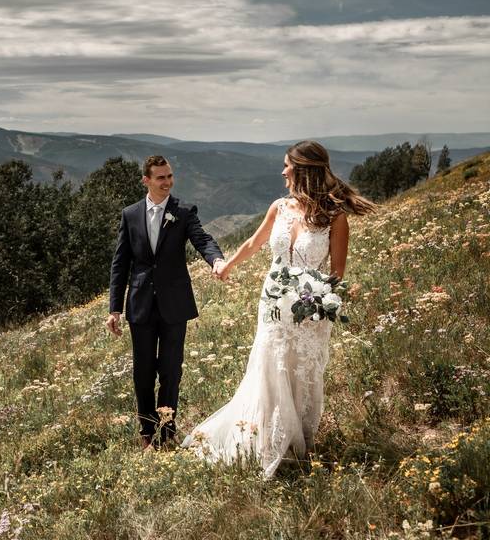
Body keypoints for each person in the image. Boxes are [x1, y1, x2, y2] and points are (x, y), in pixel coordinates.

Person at [181, 140, 377, 476]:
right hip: (272, 302)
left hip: (308, 309)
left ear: (303, 169)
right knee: (270, 368)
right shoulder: (279, 207)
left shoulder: (335, 217)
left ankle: (295, 441)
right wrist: (227, 266)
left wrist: (321, 303)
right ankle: (264, 440)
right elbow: (253, 243)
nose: (283, 171)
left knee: (299, 371)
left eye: (288, 165)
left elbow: (337, 273)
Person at [107, 155, 226, 451]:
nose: (167, 182)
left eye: (170, 176)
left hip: (175, 303)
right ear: (146, 180)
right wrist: (114, 309)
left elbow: (202, 239)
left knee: (171, 369)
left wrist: (216, 259)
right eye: (161, 178)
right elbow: (120, 264)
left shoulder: (183, 211)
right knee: (143, 370)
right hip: (140, 304)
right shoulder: (130, 214)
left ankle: (166, 429)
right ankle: (147, 431)